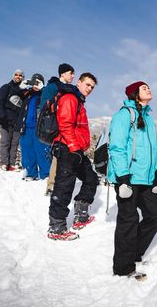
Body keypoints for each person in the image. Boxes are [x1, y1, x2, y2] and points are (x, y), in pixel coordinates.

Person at [107, 81, 157, 278]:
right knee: (128, 220)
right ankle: (123, 268)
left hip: (146, 178)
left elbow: (155, 148)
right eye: (144, 88)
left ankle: (134, 253)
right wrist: (122, 177)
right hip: (129, 177)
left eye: (149, 86)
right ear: (134, 94)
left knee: (155, 214)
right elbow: (117, 147)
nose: (148, 88)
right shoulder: (124, 115)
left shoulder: (149, 118)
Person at [47, 72, 99, 241]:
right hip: (67, 148)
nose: (89, 88)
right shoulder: (70, 98)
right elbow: (65, 125)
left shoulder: (79, 101)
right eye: (87, 84)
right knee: (64, 187)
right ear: (79, 83)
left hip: (75, 150)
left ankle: (80, 215)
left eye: (92, 86)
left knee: (90, 178)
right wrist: (73, 147)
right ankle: (56, 228)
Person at [41, 63, 76, 196]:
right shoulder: (51, 87)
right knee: (57, 155)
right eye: (70, 73)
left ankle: (57, 184)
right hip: (55, 125)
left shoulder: (71, 89)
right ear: (62, 74)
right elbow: (44, 107)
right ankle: (51, 186)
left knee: (62, 155)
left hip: (67, 125)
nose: (72, 75)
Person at [16, 73, 50, 181]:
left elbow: (51, 98)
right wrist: (21, 86)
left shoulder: (44, 94)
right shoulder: (27, 94)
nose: (35, 85)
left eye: (38, 82)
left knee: (42, 151)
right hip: (26, 127)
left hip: (40, 128)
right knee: (27, 151)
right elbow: (14, 96)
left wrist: (43, 89)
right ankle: (31, 173)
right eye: (33, 82)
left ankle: (46, 174)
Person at [0, 69, 27, 171]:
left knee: (15, 144)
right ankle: (4, 163)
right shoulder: (6, 87)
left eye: (20, 75)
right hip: (6, 119)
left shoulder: (24, 91)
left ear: (23, 77)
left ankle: (12, 164)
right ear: (13, 76)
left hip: (18, 121)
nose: (18, 77)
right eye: (16, 75)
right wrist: (1, 117)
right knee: (5, 142)